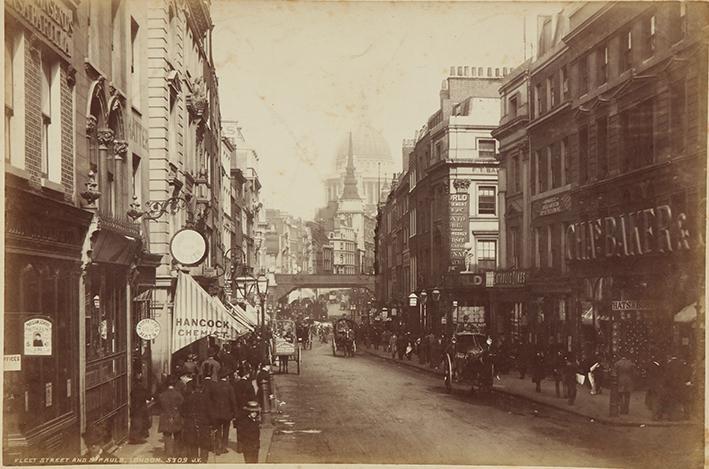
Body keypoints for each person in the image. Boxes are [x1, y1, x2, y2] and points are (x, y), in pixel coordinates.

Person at [206, 370, 236, 455]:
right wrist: (234, 413)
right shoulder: (229, 386)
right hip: (227, 413)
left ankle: (217, 447)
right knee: (226, 430)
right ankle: (224, 447)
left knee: (218, 430)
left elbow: (210, 400)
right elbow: (233, 401)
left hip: (216, 413)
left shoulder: (214, 386)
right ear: (226, 377)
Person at [181, 380, 211, 462]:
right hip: (204, 424)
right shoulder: (206, 399)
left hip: (191, 424)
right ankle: (204, 461)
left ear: (193, 389)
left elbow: (182, 412)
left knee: (192, 444)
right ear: (202, 388)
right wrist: (212, 424)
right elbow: (210, 413)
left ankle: (194, 462)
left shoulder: (188, 399)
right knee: (204, 445)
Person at [158, 376, 184, 457]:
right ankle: (177, 454)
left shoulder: (162, 395)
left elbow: (159, 407)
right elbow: (182, 406)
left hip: (165, 417)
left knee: (167, 436)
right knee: (177, 436)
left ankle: (168, 454)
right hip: (176, 416)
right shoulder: (178, 395)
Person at [129, 371, 151, 444]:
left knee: (135, 423)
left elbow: (132, 395)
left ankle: (134, 438)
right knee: (141, 423)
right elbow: (147, 397)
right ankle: (138, 438)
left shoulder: (133, 388)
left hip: (135, 408)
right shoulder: (142, 388)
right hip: (141, 408)